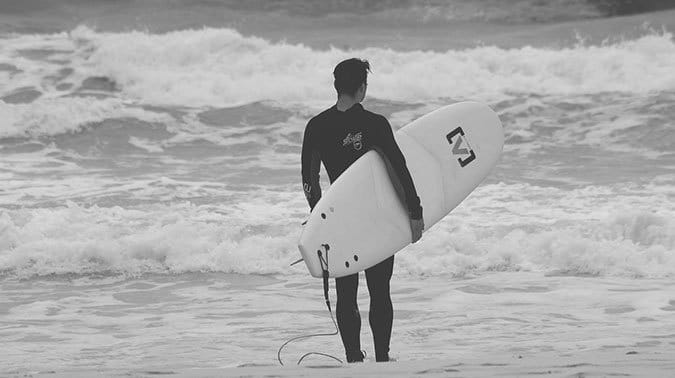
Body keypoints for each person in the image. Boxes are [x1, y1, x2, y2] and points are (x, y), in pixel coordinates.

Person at [300, 58, 424, 363]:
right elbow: (399, 168)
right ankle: (382, 358)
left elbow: (309, 179)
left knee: (346, 292)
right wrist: (415, 210)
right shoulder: (375, 125)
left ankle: (354, 359)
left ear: (336, 86)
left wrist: (320, 216)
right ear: (362, 88)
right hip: (376, 218)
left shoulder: (316, 127)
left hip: (341, 220)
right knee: (380, 289)